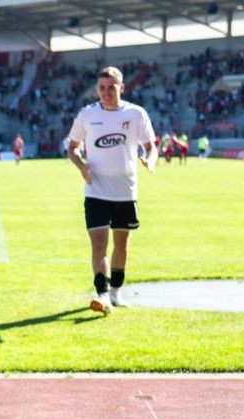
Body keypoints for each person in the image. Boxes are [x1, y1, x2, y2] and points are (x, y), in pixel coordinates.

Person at [67, 66, 157, 315]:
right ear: (97, 89)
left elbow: (151, 146)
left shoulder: (136, 114)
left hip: (125, 191)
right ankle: (102, 294)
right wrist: (81, 166)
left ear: (122, 88)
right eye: (102, 88)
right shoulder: (87, 115)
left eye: (111, 87)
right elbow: (72, 148)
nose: (106, 92)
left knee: (121, 243)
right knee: (98, 243)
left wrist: (150, 161)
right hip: (96, 190)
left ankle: (116, 292)